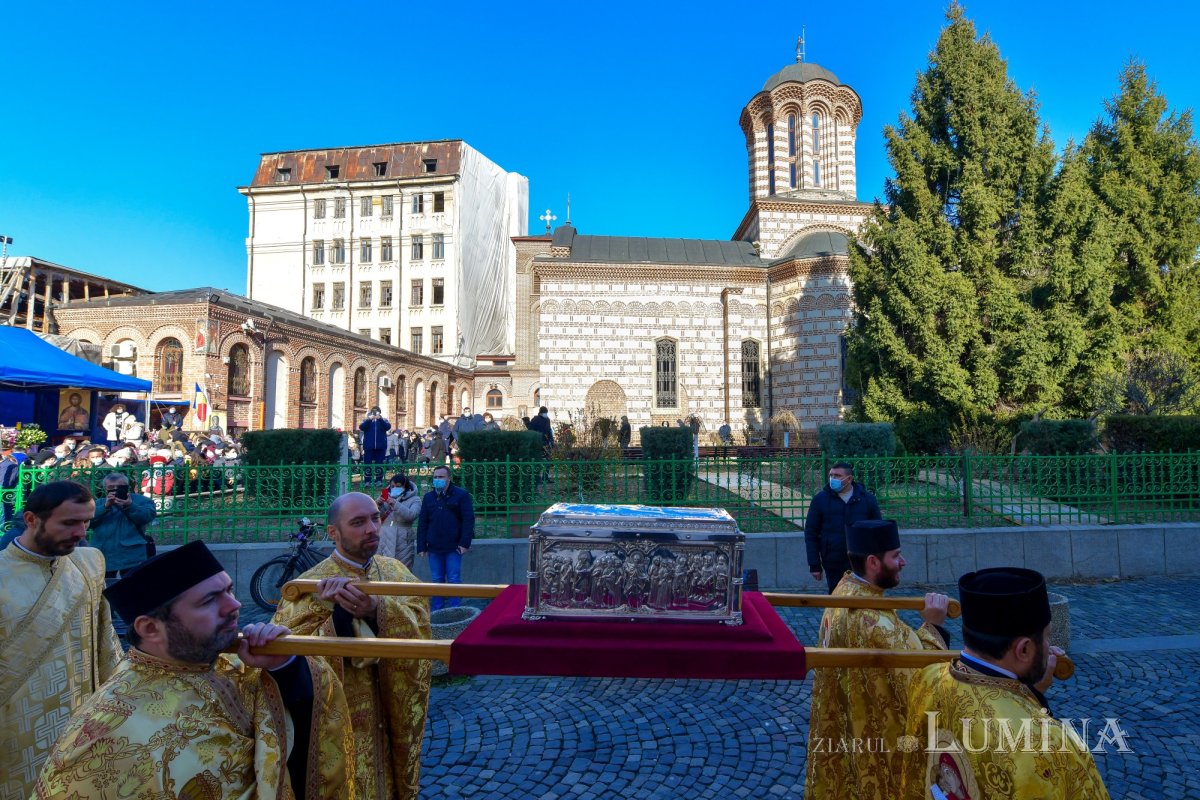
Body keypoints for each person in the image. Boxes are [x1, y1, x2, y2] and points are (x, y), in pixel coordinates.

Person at [34, 540, 354, 799]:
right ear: (150, 628)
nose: (235, 605)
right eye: (210, 601)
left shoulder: (236, 664)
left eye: (229, 590)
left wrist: (285, 666)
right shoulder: (106, 734)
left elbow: (307, 750)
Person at [272, 492, 432, 800]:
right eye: (358, 522)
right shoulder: (309, 585)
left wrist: (377, 611)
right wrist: (336, 616)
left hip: (391, 708)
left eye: (375, 518)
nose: (372, 528)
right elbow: (288, 653)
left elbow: (422, 624)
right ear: (334, 532)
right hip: (344, 719)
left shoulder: (395, 571)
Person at [901, 567, 1110, 799]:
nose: (1050, 646)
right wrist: (1033, 703)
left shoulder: (928, 678)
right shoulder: (1045, 742)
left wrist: (1031, 693)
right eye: (1047, 636)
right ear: (1024, 649)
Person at [805, 520, 950, 800]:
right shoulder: (877, 623)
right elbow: (923, 678)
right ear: (873, 562)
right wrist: (935, 627)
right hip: (880, 746)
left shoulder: (842, 592)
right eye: (895, 555)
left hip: (848, 734)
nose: (903, 562)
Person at [0, 481, 122, 800]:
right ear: (31, 520)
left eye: (86, 522)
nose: (81, 532)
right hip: (12, 731)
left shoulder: (89, 563)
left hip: (79, 723)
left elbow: (105, 642)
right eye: (69, 523)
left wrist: (119, 707)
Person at [804, 461, 882, 593]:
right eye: (831, 475)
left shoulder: (867, 499)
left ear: (849, 478)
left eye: (837, 476)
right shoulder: (820, 499)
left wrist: (879, 560)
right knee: (836, 599)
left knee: (861, 598)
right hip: (833, 560)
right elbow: (811, 533)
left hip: (861, 560)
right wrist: (814, 564)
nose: (833, 479)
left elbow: (878, 531)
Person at [416, 464, 474, 611]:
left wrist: (464, 543)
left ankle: (455, 610)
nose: (437, 480)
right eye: (435, 477)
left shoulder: (461, 495)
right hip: (434, 546)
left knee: (454, 579)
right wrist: (421, 546)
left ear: (449, 478)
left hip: (453, 546)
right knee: (437, 580)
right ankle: (438, 611)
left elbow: (468, 520)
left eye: (441, 477)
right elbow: (423, 522)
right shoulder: (429, 497)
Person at [89, 472, 157, 578]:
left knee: (132, 587)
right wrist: (105, 507)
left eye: (120, 487)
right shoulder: (98, 503)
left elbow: (147, 517)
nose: (116, 489)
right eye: (111, 487)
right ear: (105, 489)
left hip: (132, 554)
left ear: (127, 487)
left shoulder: (142, 501)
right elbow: (87, 520)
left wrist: (130, 506)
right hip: (104, 552)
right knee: (104, 588)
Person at [379, 473, 422, 568]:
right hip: (385, 537)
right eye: (392, 486)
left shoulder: (415, 499)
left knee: (403, 569)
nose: (394, 488)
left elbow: (411, 515)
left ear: (405, 487)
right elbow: (375, 516)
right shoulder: (386, 496)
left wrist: (395, 504)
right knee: (383, 569)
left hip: (403, 539)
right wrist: (378, 504)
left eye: (398, 486)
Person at [358, 406, 391, 476]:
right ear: (371, 412)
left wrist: (380, 419)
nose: (375, 413)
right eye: (374, 412)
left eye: (377, 412)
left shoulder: (384, 420)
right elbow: (361, 427)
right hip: (369, 446)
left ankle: (379, 480)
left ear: (380, 412)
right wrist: (369, 419)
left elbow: (388, 427)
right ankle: (367, 481)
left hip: (380, 446)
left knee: (379, 464)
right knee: (367, 464)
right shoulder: (367, 420)